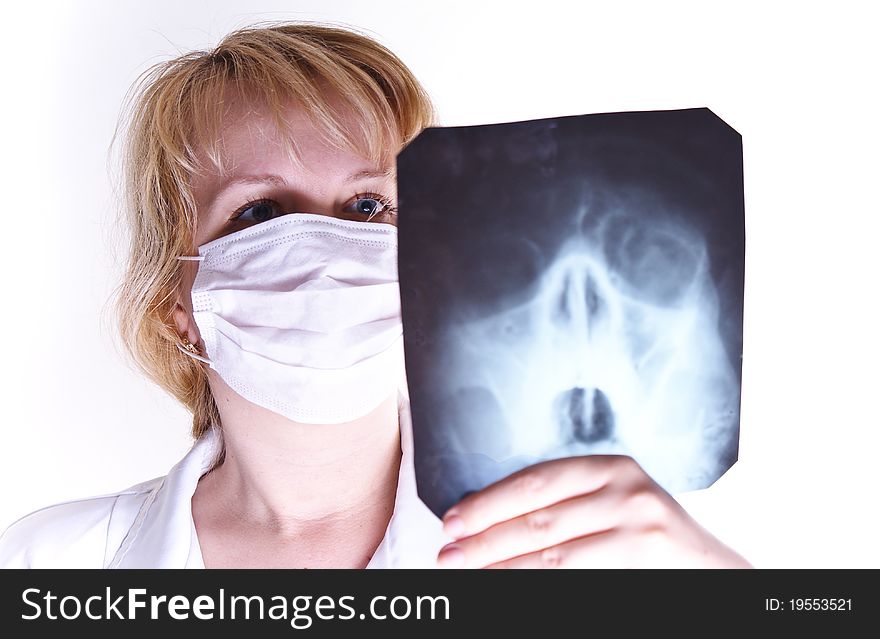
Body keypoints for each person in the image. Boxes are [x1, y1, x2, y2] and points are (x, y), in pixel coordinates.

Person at [0, 22, 751, 569]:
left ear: (430, 259)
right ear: (177, 303)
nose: (326, 251)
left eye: (367, 206)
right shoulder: (51, 565)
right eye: (260, 212)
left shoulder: (587, 550)